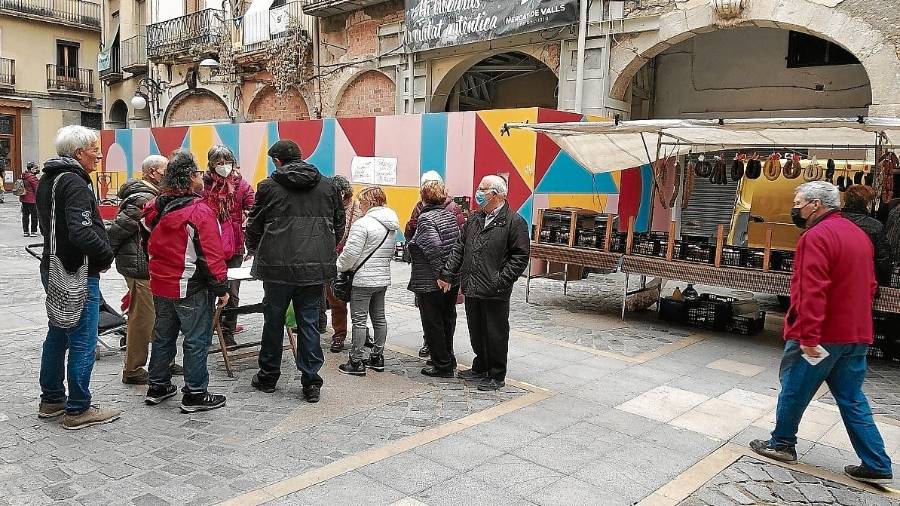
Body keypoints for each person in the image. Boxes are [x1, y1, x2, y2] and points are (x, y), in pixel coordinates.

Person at [751, 181, 893, 485]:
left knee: (794, 387)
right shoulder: (859, 235)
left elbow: (811, 290)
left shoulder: (816, 236)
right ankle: (877, 461)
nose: (796, 207)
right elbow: (870, 285)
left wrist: (808, 336)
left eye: (799, 202)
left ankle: (782, 443)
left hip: (824, 332)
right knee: (852, 398)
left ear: (816, 204)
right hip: (855, 332)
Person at [245, 140, 344, 402]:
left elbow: (254, 224)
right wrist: (320, 249)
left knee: (273, 322)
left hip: (276, 266)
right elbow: (339, 225)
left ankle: (268, 376)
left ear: (277, 161)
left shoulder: (268, 186)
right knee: (309, 322)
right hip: (314, 267)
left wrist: (255, 248)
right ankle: (311, 381)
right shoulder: (328, 186)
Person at [35, 125, 120, 429]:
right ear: (79, 152)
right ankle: (78, 408)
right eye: (94, 149)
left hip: (54, 265)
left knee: (58, 332)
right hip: (77, 270)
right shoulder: (74, 182)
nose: (99, 154)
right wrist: (106, 254)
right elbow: (81, 230)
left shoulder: (49, 178)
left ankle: (52, 399)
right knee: (83, 338)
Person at [143, 150, 230, 413]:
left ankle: (157, 385)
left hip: (161, 282)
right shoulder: (199, 212)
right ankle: (194, 393)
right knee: (196, 339)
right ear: (190, 177)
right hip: (190, 285)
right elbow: (211, 255)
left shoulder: (154, 207)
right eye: (198, 173)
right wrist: (222, 287)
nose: (202, 177)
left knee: (163, 336)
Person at [437, 175, 529, 391]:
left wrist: (501, 280)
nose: (478, 192)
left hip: (495, 289)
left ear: (495, 194)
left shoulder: (514, 222)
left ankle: (496, 374)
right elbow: (460, 247)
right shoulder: (475, 219)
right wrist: (448, 273)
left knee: (495, 333)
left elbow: (520, 257)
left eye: (482, 189)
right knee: (476, 330)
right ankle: (481, 364)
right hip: (472, 285)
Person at [107, 155, 181, 385]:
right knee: (143, 319)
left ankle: (163, 362)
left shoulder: (152, 195)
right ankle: (133, 369)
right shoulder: (143, 198)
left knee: (156, 316)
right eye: (164, 170)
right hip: (139, 267)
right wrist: (105, 257)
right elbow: (117, 231)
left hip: (146, 265)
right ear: (151, 172)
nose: (167, 175)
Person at [336, 186, 400, 376]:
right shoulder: (391, 224)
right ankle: (377, 357)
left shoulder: (362, 224)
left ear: (370, 202)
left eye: (362, 201)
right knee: (379, 318)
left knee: (359, 320)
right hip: (381, 278)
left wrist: (339, 266)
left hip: (363, 280)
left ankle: (356, 361)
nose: (360, 204)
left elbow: (350, 254)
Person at [405, 170, 466, 358]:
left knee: (434, 318)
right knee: (445, 316)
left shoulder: (430, 215)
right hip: (449, 274)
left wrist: (443, 274)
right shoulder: (447, 213)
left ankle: (441, 361)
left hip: (434, 277)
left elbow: (434, 248)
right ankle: (446, 354)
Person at [203, 145, 255, 348]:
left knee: (232, 292)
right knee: (208, 290)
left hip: (234, 246)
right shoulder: (203, 186)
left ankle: (228, 330)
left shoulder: (241, 184)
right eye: (219, 163)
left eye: (228, 162)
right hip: (209, 246)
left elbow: (254, 206)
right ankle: (206, 329)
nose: (224, 167)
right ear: (211, 164)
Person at [327, 175, 362, 353]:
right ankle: (339, 335)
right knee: (336, 302)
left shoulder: (358, 208)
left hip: (354, 262)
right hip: (332, 260)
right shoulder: (327, 207)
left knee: (358, 302)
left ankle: (362, 334)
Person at [842, 185, 891, 285]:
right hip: (864, 280)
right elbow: (883, 260)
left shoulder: (833, 220)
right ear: (867, 203)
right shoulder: (875, 226)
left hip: (837, 278)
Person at [20, 161, 40, 237]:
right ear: (31, 169)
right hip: (32, 200)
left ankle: (25, 231)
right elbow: (37, 188)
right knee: (34, 215)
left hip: (24, 198)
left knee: (25, 215)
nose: (37, 170)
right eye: (36, 168)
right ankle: (33, 231)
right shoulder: (32, 177)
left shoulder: (24, 175)